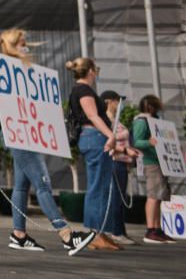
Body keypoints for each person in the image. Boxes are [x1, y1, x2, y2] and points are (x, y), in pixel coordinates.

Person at [0, 29, 95, 255]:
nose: (26, 45)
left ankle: (19, 234)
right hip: (19, 134)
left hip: (22, 133)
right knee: (43, 184)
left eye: (26, 42)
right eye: (22, 42)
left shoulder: (22, 69)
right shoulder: (8, 68)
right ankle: (66, 235)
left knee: (22, 186)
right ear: (13, 45)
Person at [66, 57, 122, 251]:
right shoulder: (83, 90)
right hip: (94, 136)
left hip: (93, 137)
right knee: (98, 185)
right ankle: (94, 232)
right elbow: (92, 115)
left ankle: (100, 232)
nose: (96, 72)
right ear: (90, 71)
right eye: (95, 69)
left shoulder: (81, 89)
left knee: (102, 184)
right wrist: (110, 135)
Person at [132, 94, 175, 244]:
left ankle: (157, 229)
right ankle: (151, 229)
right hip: (151, 161)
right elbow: (136, 141)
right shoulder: (142, 122)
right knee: (153, 195)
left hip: (160, 160)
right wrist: (149, 143)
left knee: (159, 195)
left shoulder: (154, 121)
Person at [100, 90, 140, 246]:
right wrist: (124, 151)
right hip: (114, 161)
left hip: (122, 162)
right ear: (110, 102)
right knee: (116, 197)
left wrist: (129, 156)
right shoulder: (106, 123)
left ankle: (120, 230)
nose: (120, 105)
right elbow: (108, 145)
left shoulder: (118, 121)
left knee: (120, 198)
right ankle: (115, 231)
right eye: (118, 101)